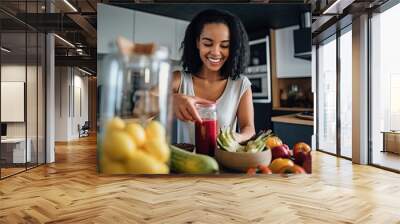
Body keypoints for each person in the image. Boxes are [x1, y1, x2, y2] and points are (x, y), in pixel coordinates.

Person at [172, 9, 255, 144]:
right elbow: (140, 106)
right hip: (187, 163)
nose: (216, 52)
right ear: (197, 42)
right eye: (208, 43)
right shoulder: (178, 80)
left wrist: (236, 138)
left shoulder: (241, 84)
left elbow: (249, 128)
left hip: (226, 162)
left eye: (225, 45)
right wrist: (169, 101)